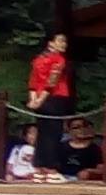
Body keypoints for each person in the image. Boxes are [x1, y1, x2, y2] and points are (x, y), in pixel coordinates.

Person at [25, 30, 73, 174]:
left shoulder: (38, 59)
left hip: (41, 98)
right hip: (54, 97)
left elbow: (33, 82)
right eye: (60, 41)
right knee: (53, 133)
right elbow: (52, 81)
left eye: (64, 41)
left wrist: (33, 99)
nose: (64, 44)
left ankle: (39, 166)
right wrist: (39, 100)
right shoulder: (58, 59)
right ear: (51, 43)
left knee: (43, 132)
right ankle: (50, 167)